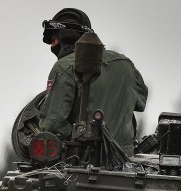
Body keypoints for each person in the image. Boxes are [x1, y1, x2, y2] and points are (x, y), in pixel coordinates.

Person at [39, 8, 148, 155]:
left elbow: (52, 124)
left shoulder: (64, 67)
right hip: (125, 162)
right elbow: (141, 102)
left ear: (65, 38)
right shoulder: (125, 64)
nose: (52, 46)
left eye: (53, 40)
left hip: (81, 163)